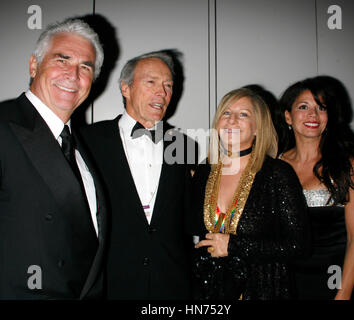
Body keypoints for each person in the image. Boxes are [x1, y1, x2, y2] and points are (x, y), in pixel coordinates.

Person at [0, 18, 107, 299]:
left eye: (85, 67)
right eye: (62, 60)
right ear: (34, 65)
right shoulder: (2, 126)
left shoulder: (84, 147)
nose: (73, 74)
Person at [80, 51, 194, 299]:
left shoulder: (184, 145)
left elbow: (189, 218)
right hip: (111, 283)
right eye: (151, 82)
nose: (162, 93)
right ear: (126, 88)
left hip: (172, 284)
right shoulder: (88, 141)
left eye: (168, 85)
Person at [192, 87, 310, 300]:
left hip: (263, 291)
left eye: (243, 114)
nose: (232, 120)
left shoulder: (277, 173)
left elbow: (298, 245)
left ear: (258, 128)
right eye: (226, 113)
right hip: (210, 293)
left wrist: (234, 246)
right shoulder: (204, 171)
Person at [277, 77, 354, 299]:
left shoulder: (347, 165)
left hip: (335, 280)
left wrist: (344, 293)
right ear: (288, 116)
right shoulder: (276, 164)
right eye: (303, 107)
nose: (313, 115)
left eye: (321, 107)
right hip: (284, 281)